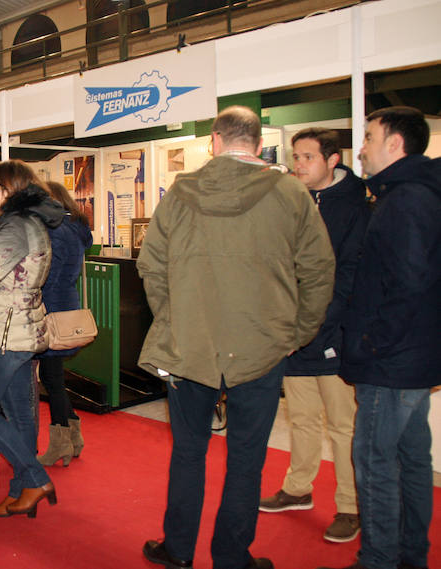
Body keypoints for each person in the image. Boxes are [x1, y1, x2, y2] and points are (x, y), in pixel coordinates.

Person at [137, 106, 335, 569]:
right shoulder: (290, 193)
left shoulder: (181, 193)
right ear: (259, 142)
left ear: (215, 141)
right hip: (262, 349)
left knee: (188, 452)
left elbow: (151, 267)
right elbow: (319, 269)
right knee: (246, 458)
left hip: (190, 349)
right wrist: (297, 332)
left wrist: (174, 320)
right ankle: (231, 556)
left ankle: (178, 551)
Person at [317, 107, 441, 569]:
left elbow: (408, 283)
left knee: (374, 465)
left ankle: (380, 559)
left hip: (391, 364)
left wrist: (371, 342)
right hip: (411, 359)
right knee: (410, 462)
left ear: (395, 144)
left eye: (368, 137)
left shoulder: (407, 200)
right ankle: (409, 557)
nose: (361, 148)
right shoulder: (411, 195)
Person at [259, 128, 370, 543]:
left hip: (335, 335)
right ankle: (297, 488)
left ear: (332, 160)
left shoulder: (357, 207)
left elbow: (349, 278)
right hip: (294, 335)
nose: (299, 164)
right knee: (301, 418)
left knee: (343, 426)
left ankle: (350, 506)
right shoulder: (291, 202)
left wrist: (315, 329)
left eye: (307, 157)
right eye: (296, 157)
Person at [0, 160, 65, 519]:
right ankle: (21, 490)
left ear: (8, 189)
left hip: (4, 332)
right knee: (21, 417)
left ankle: (35, 480)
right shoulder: (30, 221)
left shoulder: (13, 225)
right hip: (20, 329)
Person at [35, 181, 93, 466]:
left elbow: (49, 274)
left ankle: (61, 444)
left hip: (50, 311)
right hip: (65, 307)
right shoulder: (76, 229)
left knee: (52, 379)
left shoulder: (56, 231)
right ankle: (73, 435)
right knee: (54, 377)